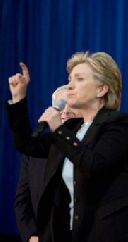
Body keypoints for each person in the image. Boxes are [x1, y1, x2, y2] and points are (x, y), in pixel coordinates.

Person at [7, 52, 128, 242]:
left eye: (80, 79)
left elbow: (93, 164)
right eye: (70, 79)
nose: (70, 86)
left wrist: (58, 128)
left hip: (113, 233)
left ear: (101, 89)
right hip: (75, 233)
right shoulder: (71, 129)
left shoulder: (118, 124)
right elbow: (27, 144)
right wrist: (19, 99)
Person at [13, 63, 80, 242]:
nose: (65, 112)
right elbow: (22, 199)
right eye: (60, 106)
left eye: (71, 105)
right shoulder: (35, 149)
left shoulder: (87, 147)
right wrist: (31, 236)